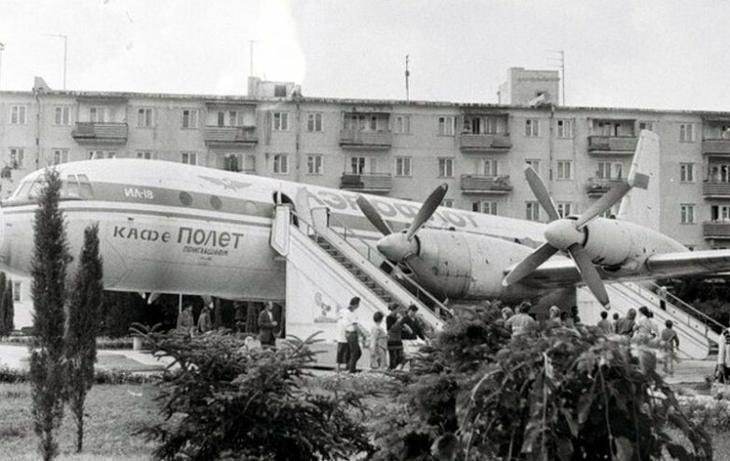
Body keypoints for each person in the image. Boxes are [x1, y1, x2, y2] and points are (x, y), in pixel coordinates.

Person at [343, 297, 368, 373]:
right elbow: (355, 326)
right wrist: (362, 334)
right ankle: (351, 370)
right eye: (358, 304)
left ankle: (349, 367)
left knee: (354, 352)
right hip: (352, 334)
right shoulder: (352, 313)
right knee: (356, 352)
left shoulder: (346, 312)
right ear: (356, 304)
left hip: (347, 333)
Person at [386, 304, 408, 369]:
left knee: (400, 357)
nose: (399, 311)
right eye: (398, 309)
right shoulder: (389, 317)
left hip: (398, 340)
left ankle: (397, 370)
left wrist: (404, 328)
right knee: (393, 358)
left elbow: (399, 327)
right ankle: (392, 370)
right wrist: (398, 321)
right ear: (395, 309)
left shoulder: (397, 317)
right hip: (392, 340)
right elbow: (391, 329)